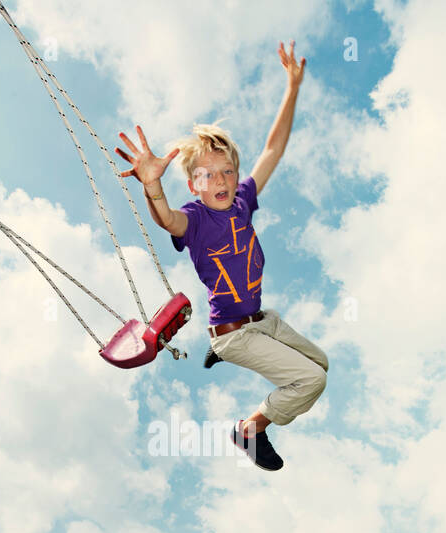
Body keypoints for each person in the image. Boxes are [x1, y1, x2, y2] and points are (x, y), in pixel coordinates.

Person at [115, 41, 328, 471]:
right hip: (236, 333)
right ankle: (249, 430)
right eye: (208, 174)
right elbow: (166, 220)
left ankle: (221, 349)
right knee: (311, 380)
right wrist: (151, 185)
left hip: (262, 319)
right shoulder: (194, 219)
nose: (222, 179)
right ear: (193, 184)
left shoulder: (243, 200)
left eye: (228, 170)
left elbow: (273, 150)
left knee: (320, 362)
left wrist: (292, 86)